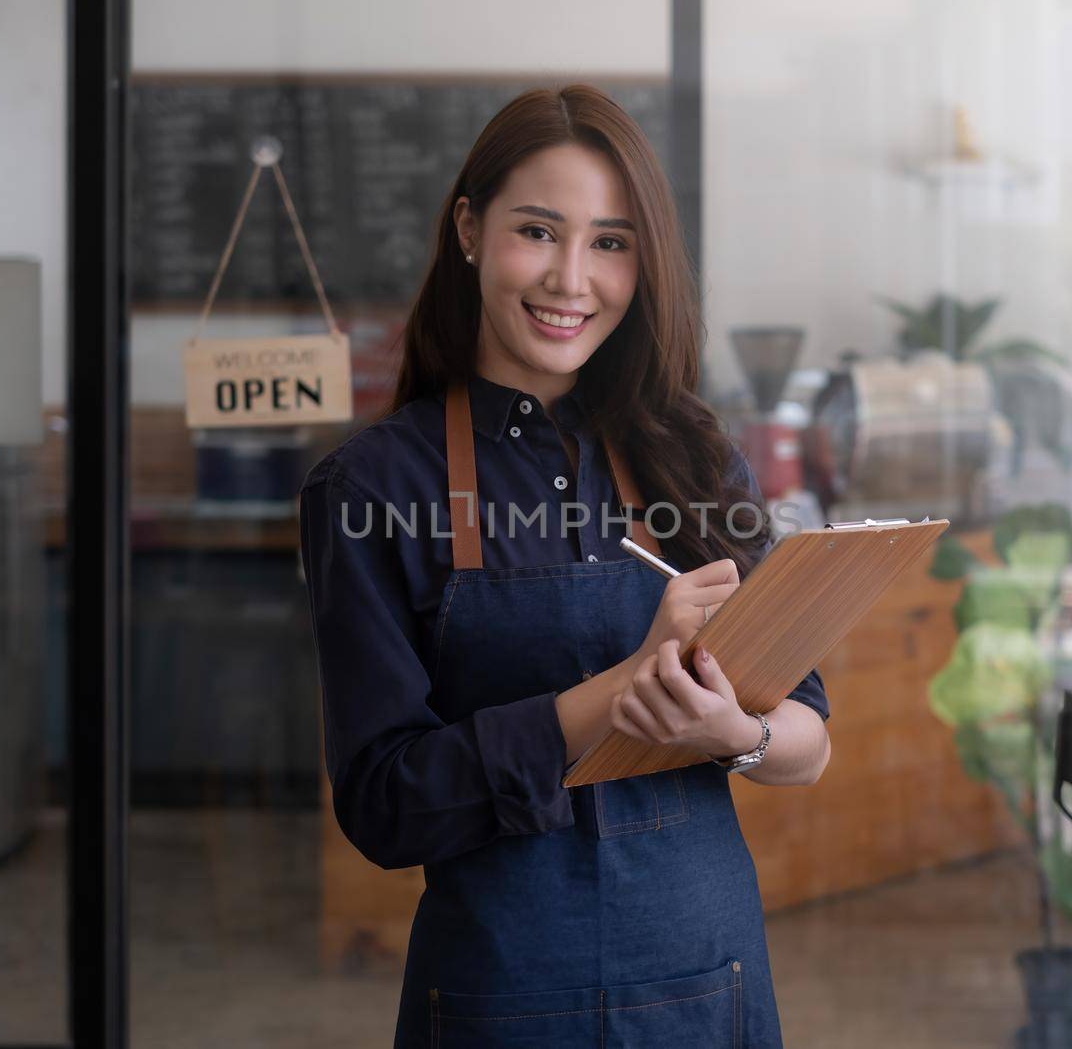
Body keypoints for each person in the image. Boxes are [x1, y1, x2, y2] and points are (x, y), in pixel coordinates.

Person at [298, 83, 831, 1048]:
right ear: (469, 228)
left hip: (708, 984)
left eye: (612, 243)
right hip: (499, 996)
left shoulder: (696, 457)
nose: (572, 279)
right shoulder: (372, 486)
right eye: (538, 231)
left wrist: (731, 730)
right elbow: (384, 806)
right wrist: (619, 693)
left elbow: (810, 738)